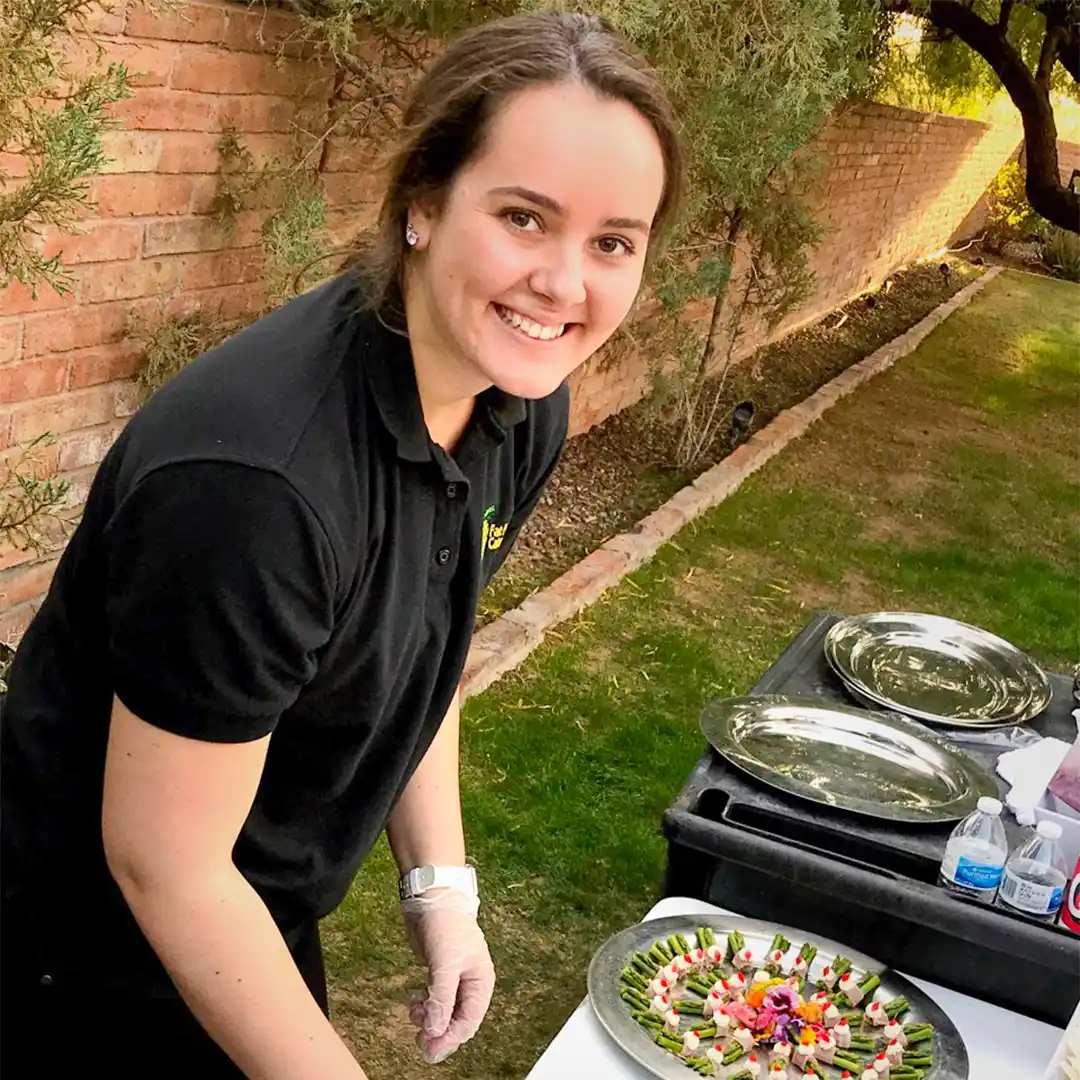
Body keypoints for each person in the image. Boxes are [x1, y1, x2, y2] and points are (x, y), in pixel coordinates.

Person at [0, 11, 681, 1078]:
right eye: (523, 217)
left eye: (611, 243)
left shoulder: (515, 401)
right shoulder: (258, 492)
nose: (565, 284)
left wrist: (440, 889)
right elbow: (164, 865)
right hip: (81, 959)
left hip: (254, 912)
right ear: (422, 202)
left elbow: (430, 647)